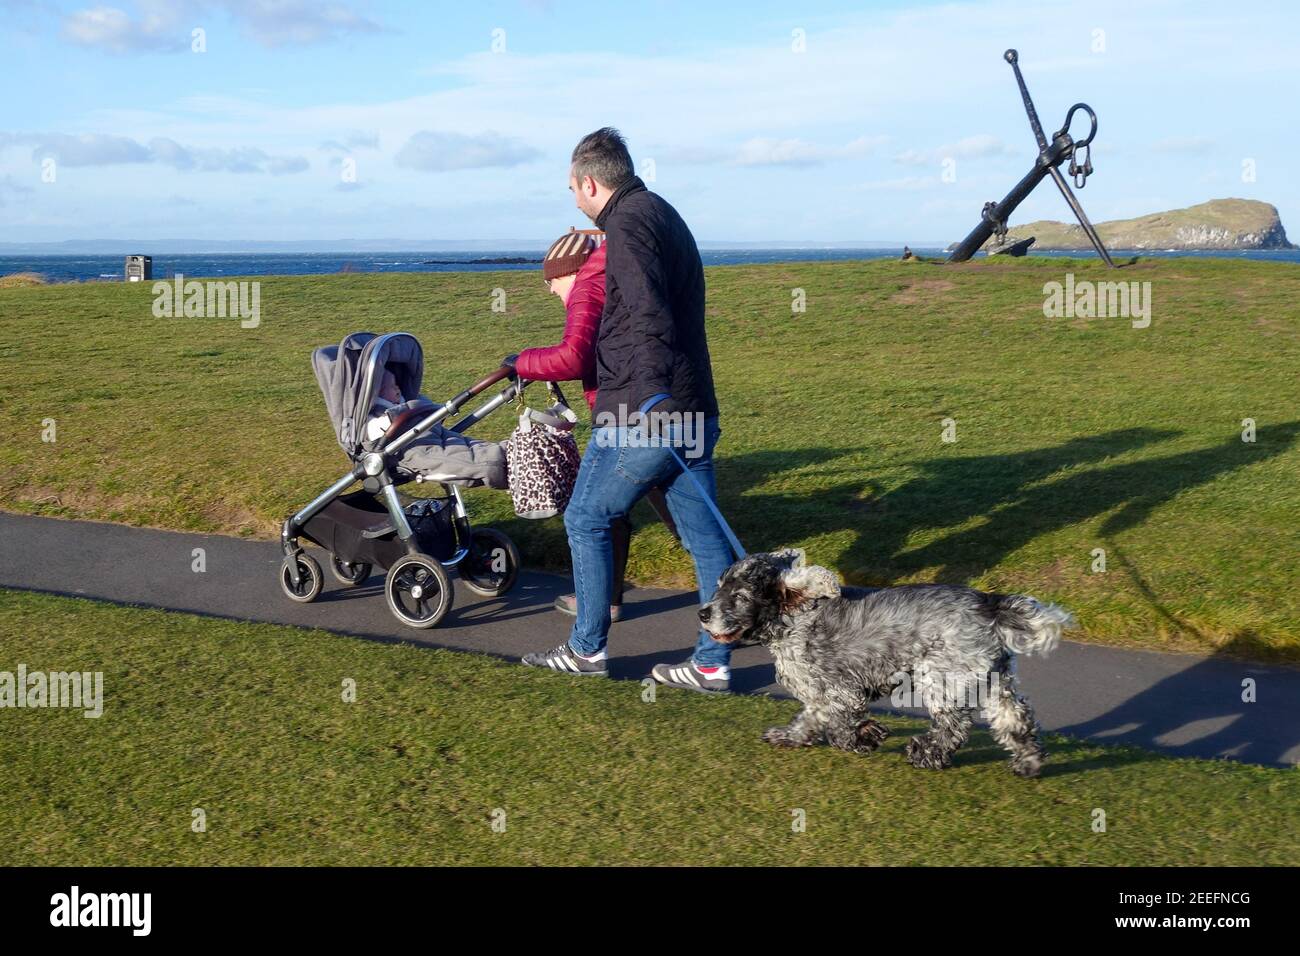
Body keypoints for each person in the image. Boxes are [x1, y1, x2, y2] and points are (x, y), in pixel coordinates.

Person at [520, 127, 739, 694]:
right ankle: (713, 662)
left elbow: (645, 313)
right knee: (705, 540)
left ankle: (586, 649)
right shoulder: (658, 213)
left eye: (572, 186)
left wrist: (648, 395)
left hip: (644, 411)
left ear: (590, 181)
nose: (572, 198)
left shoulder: (628, 224)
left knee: (586, 516)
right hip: (690, 405)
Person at [508, 230, 679, 624]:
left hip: (626, 414)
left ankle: (595, 621)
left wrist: (522, 362)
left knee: (593, 512)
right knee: (651, 511)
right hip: (650, 406)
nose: (550, 290)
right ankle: (612, 598)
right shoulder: (611, 281)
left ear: (567, 271)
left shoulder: (587, 289)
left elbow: (574, 358)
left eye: (551, 280)